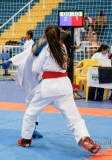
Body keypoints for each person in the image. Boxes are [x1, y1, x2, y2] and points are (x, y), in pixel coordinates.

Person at [17, 25, 101, 155]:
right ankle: (84, 138)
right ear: (59, 35)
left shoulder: (45, 49)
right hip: (64, 86)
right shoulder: (62, 47)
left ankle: (26, 139)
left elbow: (35, 69)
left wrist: (35, 58)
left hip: (48, 87)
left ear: (46, 36)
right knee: (74, 118)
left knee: (31, 112)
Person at [2, 37, 47, 139]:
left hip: (34, 73)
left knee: (34, 99)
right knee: (33, 99)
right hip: (30, 73)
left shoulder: (46, 44)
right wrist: (10, 62)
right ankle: (31, 128)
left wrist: (10, 62)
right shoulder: (42, 44)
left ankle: (32, 127)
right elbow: (26, 53)